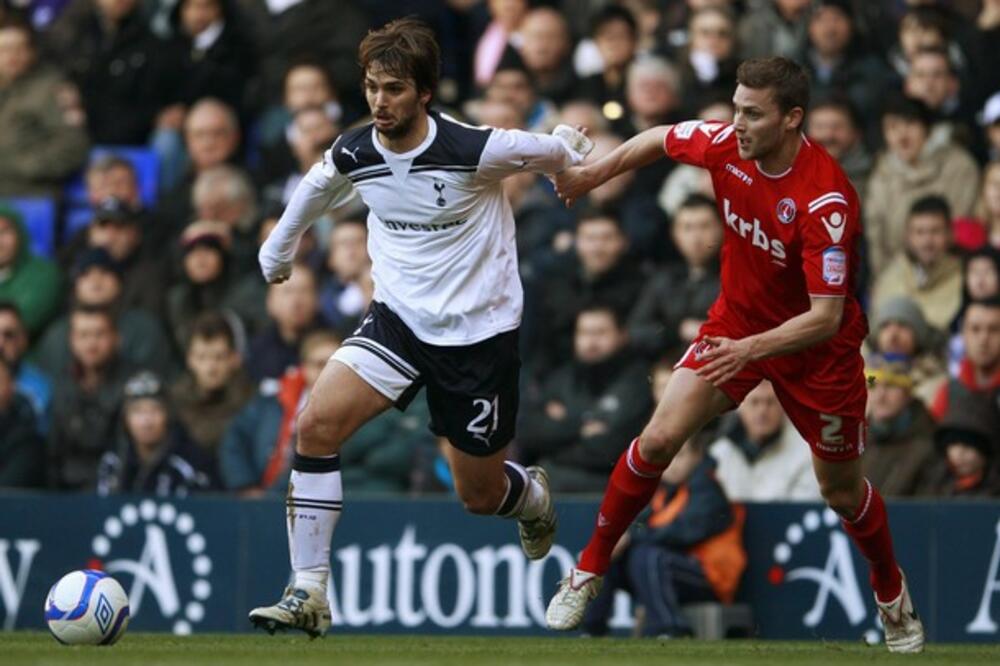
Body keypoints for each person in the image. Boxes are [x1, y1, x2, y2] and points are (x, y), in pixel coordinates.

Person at [543, 56, 924, 654]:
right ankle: (587, 569)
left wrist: (749, 349)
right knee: (659, 439)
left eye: (752, 113)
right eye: (736, 106)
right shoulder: (727, 147)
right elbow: (660, 138)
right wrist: (596, 175)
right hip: (736, 326)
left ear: (792, 118)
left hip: (819, 355)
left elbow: (824, 316)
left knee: (842, 492)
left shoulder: (826, 200)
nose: (736, 122)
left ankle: (889, 588)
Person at [250, 18, 590, 637]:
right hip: (399, 322)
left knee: (478, 496)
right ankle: (308, 589)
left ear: (425, 93)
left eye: (395, 89)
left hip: (478, 338)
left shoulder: (472, 149)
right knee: (317, 424)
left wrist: (566, 153)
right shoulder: (357, 150)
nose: (380, 101)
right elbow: (318, 184)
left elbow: (544, 151)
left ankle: (532, 498)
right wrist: (278, 251)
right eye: (373, 87)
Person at [580, 436, 746, 638]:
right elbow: (639, 526)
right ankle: (592, 629)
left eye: (681, 456)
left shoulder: (707, 487)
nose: (672, 464)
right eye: (670, 456)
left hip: (713, 578)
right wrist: (617, 544)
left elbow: (682, 532)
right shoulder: (663, 490)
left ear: (697, 455)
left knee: (649, 556)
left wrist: (631, 538)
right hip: (672, 570)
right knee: (611, 557)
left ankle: (672, 628)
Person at [708, 381, 820, 502]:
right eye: (755, 402)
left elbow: (803, 508)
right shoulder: (719, 454)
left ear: (784, 407)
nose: (762, 411)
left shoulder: (806, 452)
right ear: (740, 408)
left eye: (770, 402)